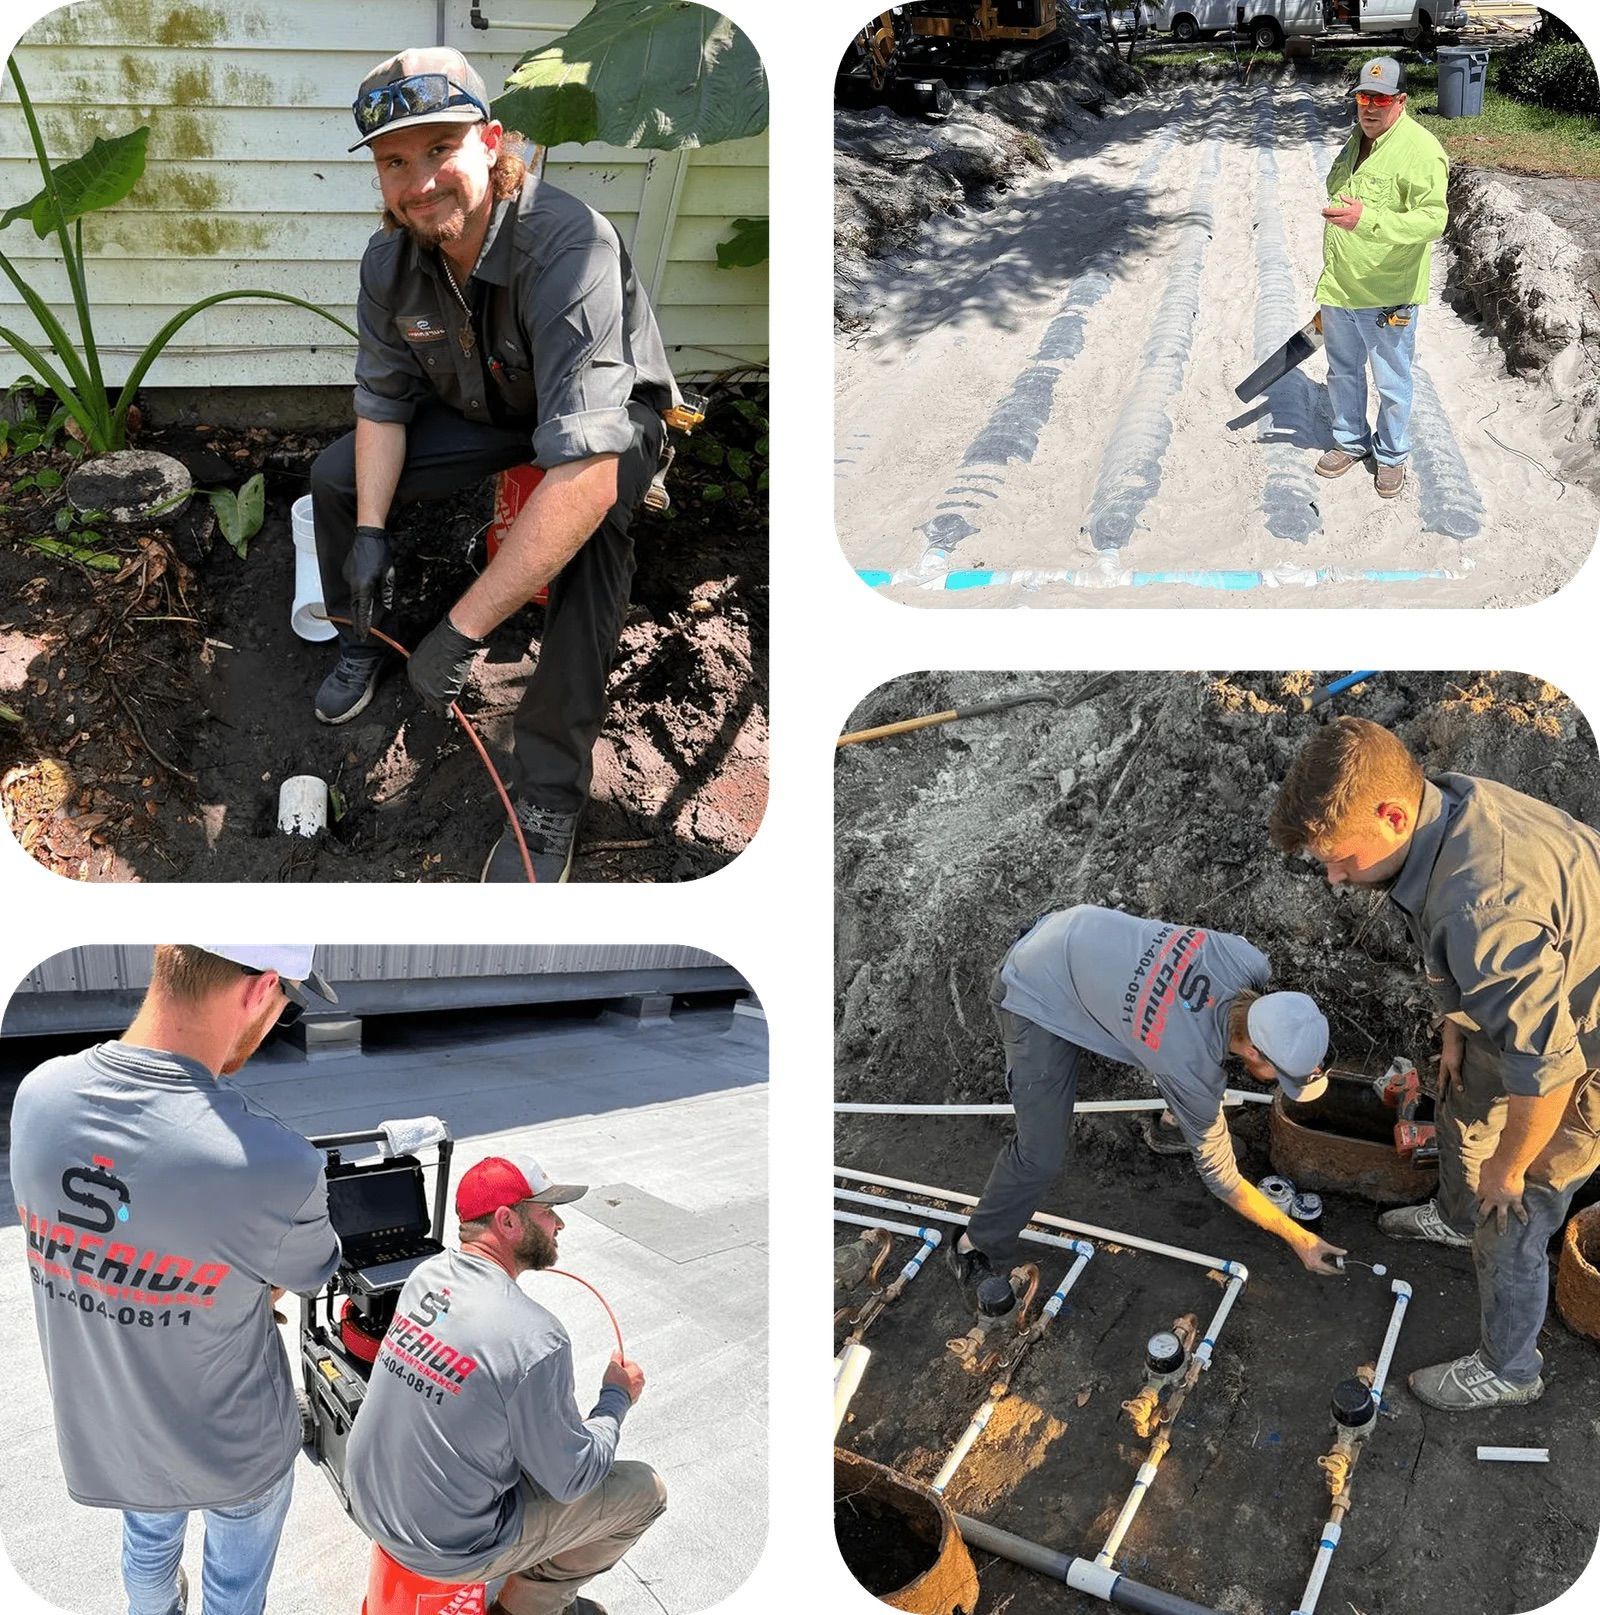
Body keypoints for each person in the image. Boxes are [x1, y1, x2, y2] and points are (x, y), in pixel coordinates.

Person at [312, 46, 681, 881]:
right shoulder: (389, 262)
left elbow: (582, 470)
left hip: (605, 423)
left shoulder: (568, 247)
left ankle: (549, 788)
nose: (419, 181)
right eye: (394, 162)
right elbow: (381, 403)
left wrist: (461, 629)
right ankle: (363, 635)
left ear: (492, 141)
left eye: (440, 149)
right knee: (336, 478)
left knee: (594, 526)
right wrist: (370, 531)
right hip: (487, 407)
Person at [1271, 716, 1600, 1410]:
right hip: (1526, 1002)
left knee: (1520, 1206)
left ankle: (1510, 1370)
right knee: (1461, 1102)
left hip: (1582, 1045)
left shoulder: (1485, 904)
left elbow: (1549, 1067)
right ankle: (1454, 1216)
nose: (1332, 878)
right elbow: (1461, 945)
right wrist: (1455, 1022)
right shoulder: (1443, 807)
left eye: (1339, 858)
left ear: (1391, 815)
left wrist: (1508, 1170)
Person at [11, 945, 342, 1615]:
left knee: (146, 1556)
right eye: (286, 1008)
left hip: (118, 1438)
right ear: (263, 989)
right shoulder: (274, 1161)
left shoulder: (38, 1096)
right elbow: (306, 1273)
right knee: (234, 1591)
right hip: (236, 1451)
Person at [950, 906, 1344, 1316]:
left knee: (1166, 1034)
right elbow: (1224, 1180)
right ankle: (971, 1246)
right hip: (1033, 986)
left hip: (1075, 927)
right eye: (1280, 1075)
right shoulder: (1189, 1066)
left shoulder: (1246, 961)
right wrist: (1299, 1237)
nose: (1279, 1083)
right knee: (1041, 1153)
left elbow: (1187, 1017)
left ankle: (1175, 1125)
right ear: (1254, 1050)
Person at [344, 1153, 664, 1615]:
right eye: (548, 1212)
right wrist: (616, 1398)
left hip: (369, 1501)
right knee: (645, 1492)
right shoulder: (537, 1339)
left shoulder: (425, 1277)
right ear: (507, 1221)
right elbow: (573, 1478)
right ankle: (527, 1606)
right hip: (443, 1546)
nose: (559, 1225)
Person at [1313, 57, 1448, 500]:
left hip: (1389, 296)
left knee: (1391, 379)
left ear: (1401, 100)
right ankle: (1350, 442)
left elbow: (1432, 221)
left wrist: (1367, 220)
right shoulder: (1357, 140)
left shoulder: (1422, 151)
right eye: (1362, 97)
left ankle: (1391, 456)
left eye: (1380, 99)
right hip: (1341, 286)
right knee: (1342, 372)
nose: (1368, 107)